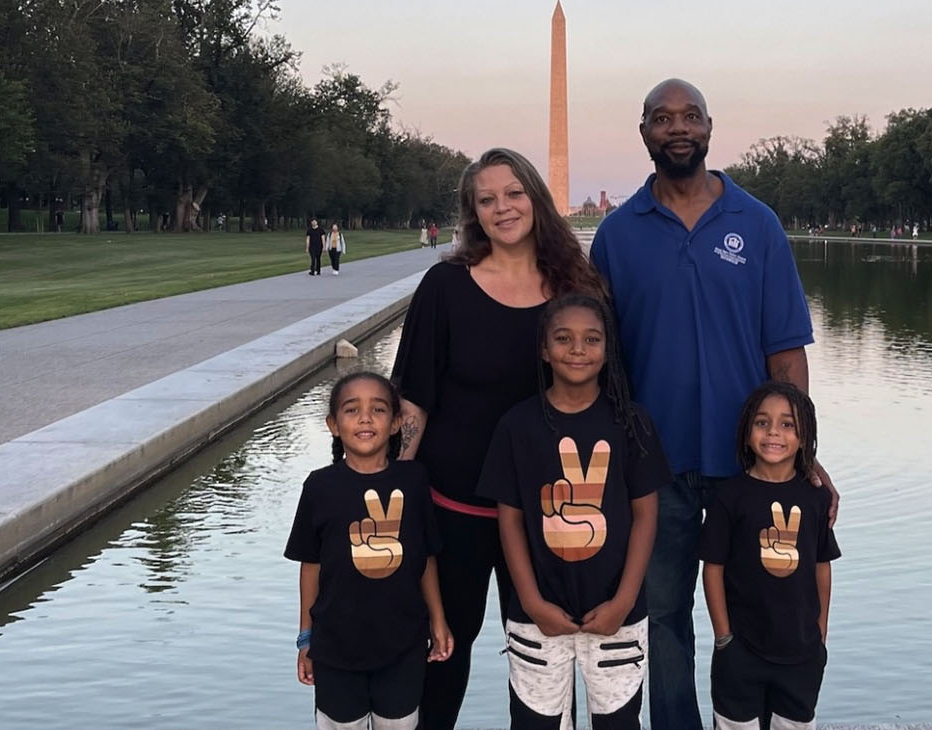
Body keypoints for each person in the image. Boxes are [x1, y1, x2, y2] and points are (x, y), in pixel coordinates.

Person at [587, 78, 838, 730]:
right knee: (664, 614)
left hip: (746, 466)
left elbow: (786, 355)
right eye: (662, 118)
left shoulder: (756, 224)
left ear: (709, 128)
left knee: (760, 602)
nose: (678, 128)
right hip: (654, 464)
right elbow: (594, 357)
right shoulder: (616, 235)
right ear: (643, 131)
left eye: (689, 116)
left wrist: (802, 456)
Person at [390, 147, 606, 730]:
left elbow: (604, 401)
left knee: (542, 668)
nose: (502, 208)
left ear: (535, 197)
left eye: (513, 193)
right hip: (452, 507)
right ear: (473, 213)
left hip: (550, 515)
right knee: (440, 656)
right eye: (487, 199)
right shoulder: (445, 287)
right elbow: (413, 401)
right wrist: (393, 495)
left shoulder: (577, 291)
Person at [477, 293, 671, 730]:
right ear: (545, 350)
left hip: (617, 615)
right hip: (537, 614)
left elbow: (646, 516)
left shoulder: (632, 423)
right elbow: (509, 519)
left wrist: (624, 600)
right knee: (536, 722)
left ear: (607, 350)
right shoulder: (517, 426)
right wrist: (530, 600)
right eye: (563, 339)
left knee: (619, 722)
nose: (578, 350)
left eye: (591, 339)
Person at [283, 371, 455, 730]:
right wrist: (305, 637)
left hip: (403, 644)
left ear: (395, 424)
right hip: (334, 647)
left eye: (377, 409)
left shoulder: (414, 480)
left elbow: (425, 557)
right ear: (333, 424)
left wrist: (438, 619)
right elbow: (310, 566)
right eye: (351, 410)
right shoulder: (320, 487)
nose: (364, 418)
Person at [699, 381, 840, 730]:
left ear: (805, 437)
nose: (773, 432)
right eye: (762, 423)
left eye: (787, 424)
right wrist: (723, 638)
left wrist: (819, 635)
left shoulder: (816, 499)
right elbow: (712, 569)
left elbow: (822, 568)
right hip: (741, 650)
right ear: (747, 433)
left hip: (801, 651)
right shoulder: (729, 497)